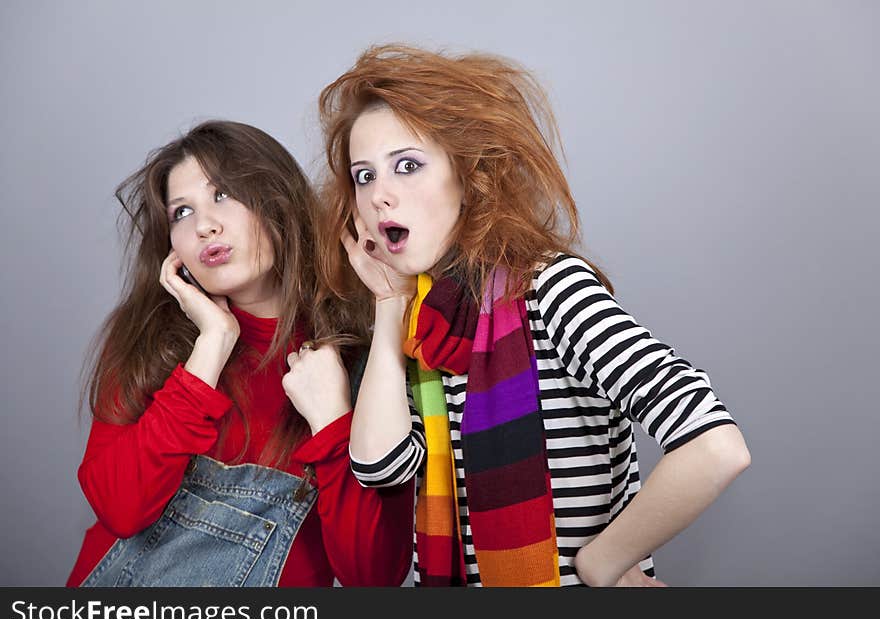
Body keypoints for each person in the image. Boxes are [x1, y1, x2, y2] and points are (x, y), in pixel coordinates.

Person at [315, 45, 751, 587]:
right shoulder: (427, 324)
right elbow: (382, 468)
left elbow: (715, 445)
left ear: (470, 175)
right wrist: (387, 303)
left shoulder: (551, 288)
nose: (380, 196)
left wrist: (602, 561)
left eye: (408, 165)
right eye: (364, 176)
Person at [67, 120, 413, 587]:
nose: (205, 224)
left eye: (223, 195)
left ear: (279, 203)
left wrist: (333, 420)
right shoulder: (148, 341)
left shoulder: (362, 366)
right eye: (181, 212)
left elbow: (372, 575)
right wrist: (210, 347)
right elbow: (121, 509)